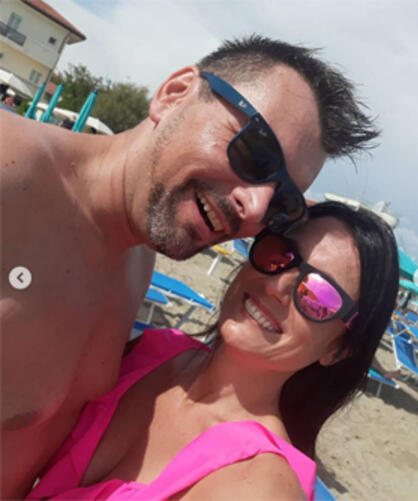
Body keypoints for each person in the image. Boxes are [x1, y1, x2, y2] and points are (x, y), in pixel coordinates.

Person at [0, 36, 378, 498]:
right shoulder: (11, 174)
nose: (256, 208)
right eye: (255, 154)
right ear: (174, 93)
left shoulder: (136, 262)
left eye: (282, 202)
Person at [25, 201, 399, 500]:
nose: (277, 285)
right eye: (281, 254)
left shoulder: (261, 486)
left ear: (339, 350)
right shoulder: (154, 351)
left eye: (319, 295)